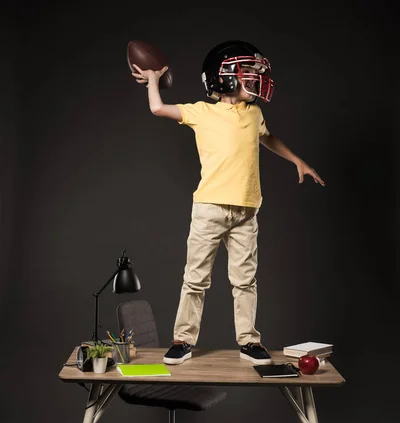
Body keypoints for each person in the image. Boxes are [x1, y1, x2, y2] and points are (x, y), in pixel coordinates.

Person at [132, 40, 325, 366]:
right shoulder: (202, 111)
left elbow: (268, 138)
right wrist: (153, 79)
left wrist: (297, 161)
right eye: (247, 72)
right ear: (224, 78)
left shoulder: (255, 114)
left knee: (245, 281)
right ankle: (182, 340)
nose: (255, 78)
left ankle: (249, 342)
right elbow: (157, 108)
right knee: (195, 279)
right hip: (210, 209)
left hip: (247, 211)